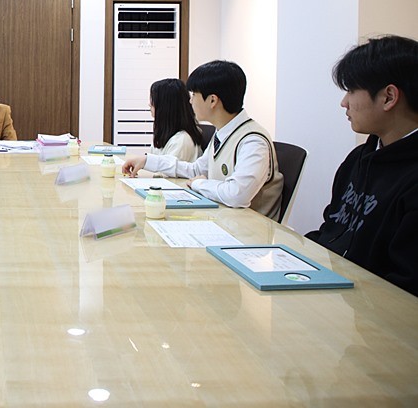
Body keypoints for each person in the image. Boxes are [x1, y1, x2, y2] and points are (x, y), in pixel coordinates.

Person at [306, 35, 418, 296]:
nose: (344, 103)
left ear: (388, 97)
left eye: (351, 91)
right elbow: (331, 230)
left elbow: (404, 289)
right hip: (333, 293)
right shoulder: (358, 158)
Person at [122, 60, 283, 219]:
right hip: (223, 220)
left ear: (212, 100)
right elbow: (196, 170)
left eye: (194, 95)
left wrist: (199, 184)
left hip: (248, 230)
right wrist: (148, 161)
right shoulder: (222, 132)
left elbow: (237, 195)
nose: (190, 101)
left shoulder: (253, 141)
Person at [148, 78, 204, 162]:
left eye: (153, 101)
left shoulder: (182, 141)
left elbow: (165, 169)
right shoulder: (164, 135)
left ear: (166, 106)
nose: (149, 104)